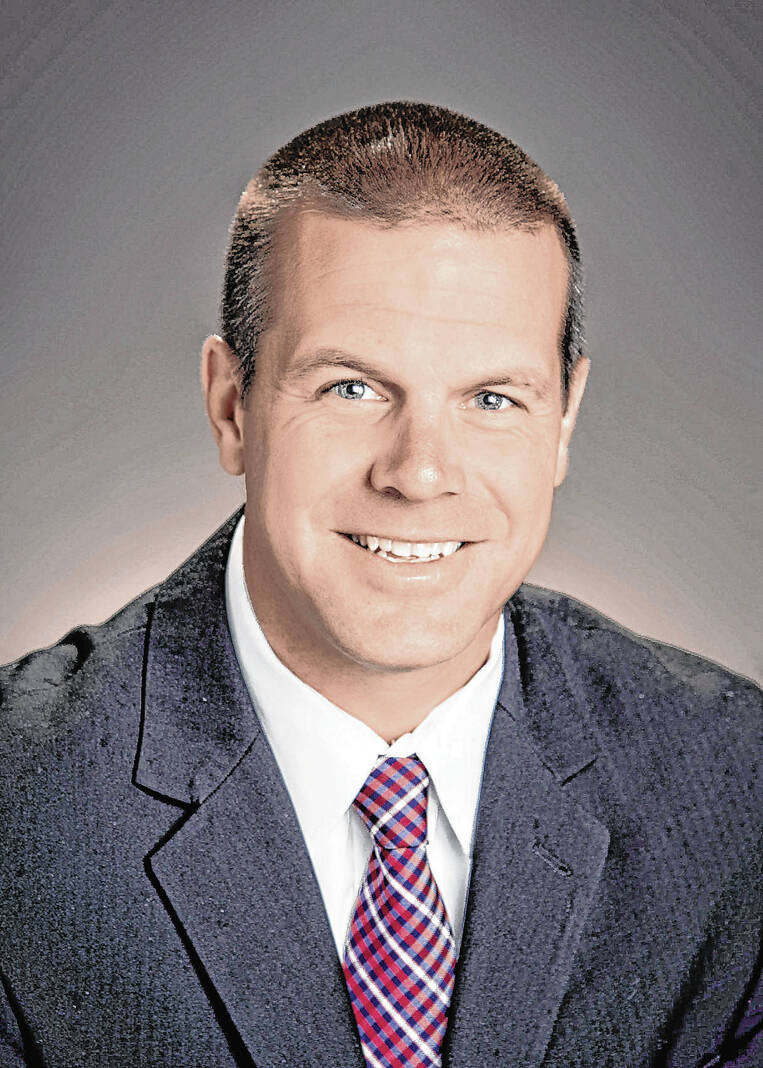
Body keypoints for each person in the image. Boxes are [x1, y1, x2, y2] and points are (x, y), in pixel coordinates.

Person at [0, 101, 759, 1068]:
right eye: (351, 388)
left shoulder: (735, 792)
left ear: (563, 420)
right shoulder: (21, 808)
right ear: (231, 407)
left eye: (492, 398)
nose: (419, 472)